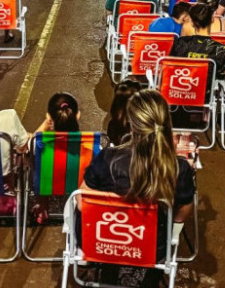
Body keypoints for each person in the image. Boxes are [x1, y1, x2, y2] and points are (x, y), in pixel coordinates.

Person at [82, 89, 195, 260]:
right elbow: (183, 211)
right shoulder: (178, 168)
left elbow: (82, 200)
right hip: (152, 248)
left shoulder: (107, 159)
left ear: (131, 124)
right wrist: (173, 234)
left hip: (104, 242)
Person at [169, 3, 225, 77]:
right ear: (212, 20)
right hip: (206, 84)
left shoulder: (180, 43)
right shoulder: (221, 49)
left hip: (182, 82)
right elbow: (221, 75)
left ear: (192, 23)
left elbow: (171, 67)